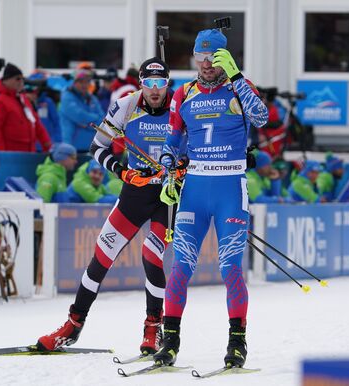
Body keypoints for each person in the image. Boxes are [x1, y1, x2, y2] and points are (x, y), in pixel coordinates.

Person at [37, 57, 179, 356]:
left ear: (168, 84)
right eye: (149, 83)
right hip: (134, 194)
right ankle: (72, 326)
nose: (155, 90)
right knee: (101, 257)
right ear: (141, 83)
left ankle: (153, 327)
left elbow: (193, 152)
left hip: (165, 198)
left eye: (161, 83)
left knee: (151, 256)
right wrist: (122, 171)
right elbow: (96, 148)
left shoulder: (179, 108)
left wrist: (180, 169)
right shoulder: (125, 105)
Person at [153, 29, 268, 369]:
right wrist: (168, 170)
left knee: (230, 267)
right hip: (195, 189)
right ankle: (169, 340)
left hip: (230, 186)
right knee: (180, 267)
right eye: (199, 57)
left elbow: (261, 117)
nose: (204, 64)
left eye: (212, 57)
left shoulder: (238, 87)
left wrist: (235, 74)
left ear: (224, 58)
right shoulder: (184, 93)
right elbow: (173, 139)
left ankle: (237, 342)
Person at [0, 63, 52, 152]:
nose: (21, 82)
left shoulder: (22, 98)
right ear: (7, 80)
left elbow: (36, 122)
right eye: (17, 79)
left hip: (28, 152)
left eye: (22, 79)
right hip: (10, 155)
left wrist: (47, 143)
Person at [59, 70, 105, 152]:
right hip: (72, 148)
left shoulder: (91, 98)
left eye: (87, 82)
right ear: (74, 82)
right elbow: (79, 116)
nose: (84, 85)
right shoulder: (67, 97)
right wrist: (94, 122)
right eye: (81, 82)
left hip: (92, 147)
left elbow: (103, 120)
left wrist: (86, 124)